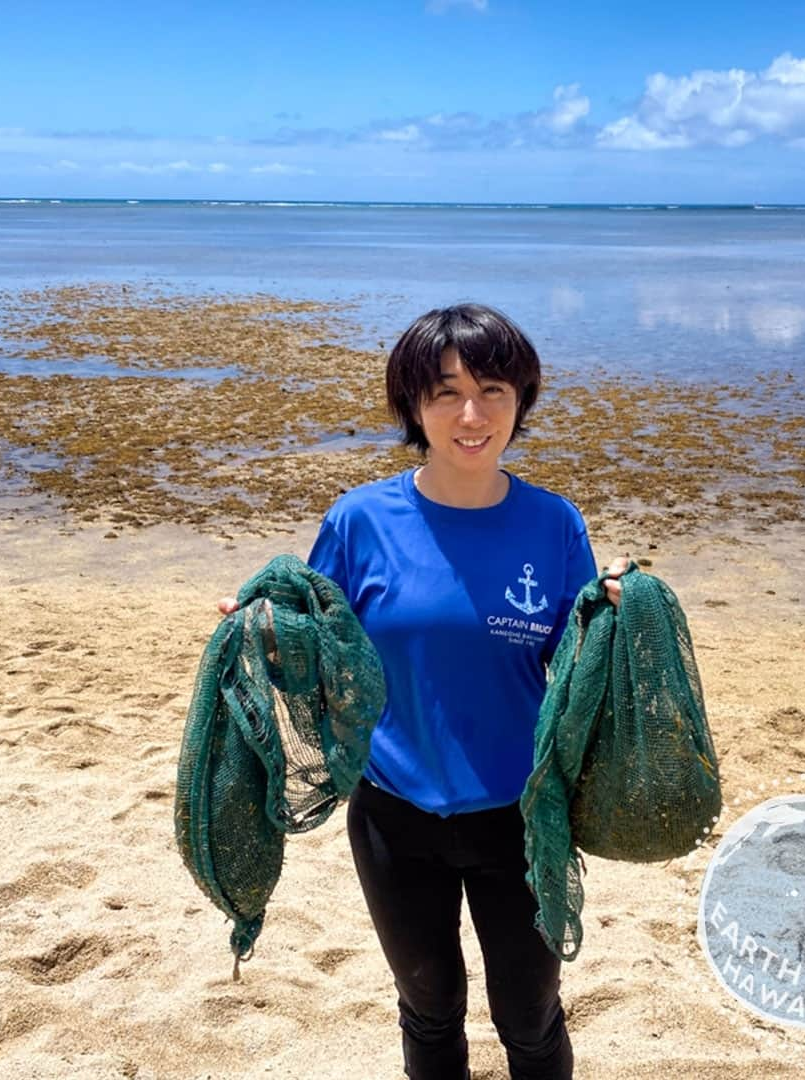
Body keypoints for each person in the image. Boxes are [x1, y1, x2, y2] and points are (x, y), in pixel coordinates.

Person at [220, 303, 623, 1079]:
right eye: (444, 393)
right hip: (394, 814)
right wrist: (265, 633)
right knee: (430, 1006)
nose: (471, 415)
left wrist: (611, 615)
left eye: (493, 391)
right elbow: (318, 647)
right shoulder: (360, 521)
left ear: (522, 401)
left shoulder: (554, 524)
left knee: (528, 1014)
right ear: (413, 405)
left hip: (520, 815)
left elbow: (576, 666)